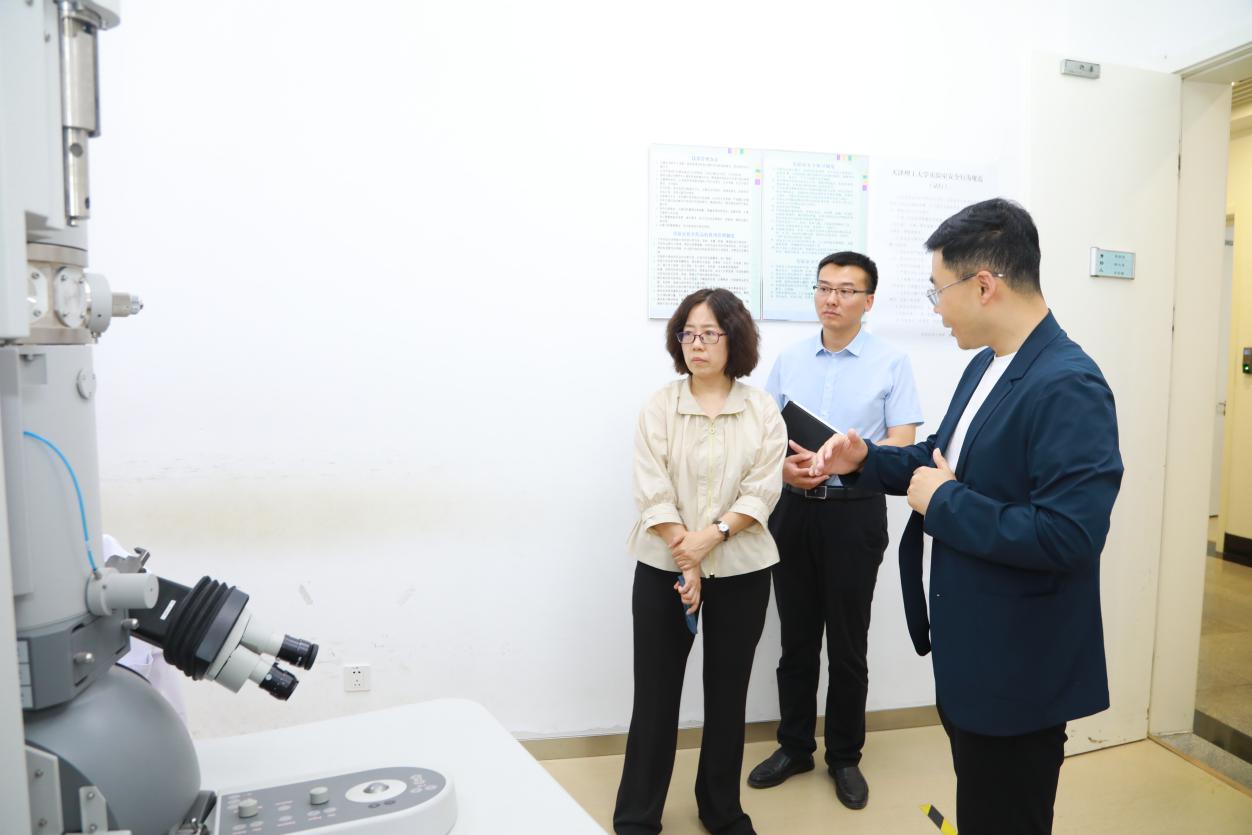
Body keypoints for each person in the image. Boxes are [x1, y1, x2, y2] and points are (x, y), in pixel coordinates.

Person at [809, 198, 1124, 834]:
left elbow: (1069, 536)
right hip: (973, 654)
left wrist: (946, 502)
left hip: (1019, 669)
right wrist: (865, 458)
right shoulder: (987, 363)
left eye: (938, 291)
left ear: (983, 285)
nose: (936, 308)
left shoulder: (1068, 384)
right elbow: (940, 457)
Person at [747, 251, 922, 809]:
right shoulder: (791, 358)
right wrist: (784, 468)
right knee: (795, 640)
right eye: (824, 287)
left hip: (855, 511)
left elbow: (903, 442)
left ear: (868, 301)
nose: (832, 299)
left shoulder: (892, 362)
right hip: (793, 510)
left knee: (848, 643)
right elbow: (766, 435)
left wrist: (855, 455)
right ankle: (794, 746)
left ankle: (845, 756)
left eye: (846, 290)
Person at [614, 288, 787, 835]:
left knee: (727, 695)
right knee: (655, 695)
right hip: (664, 566)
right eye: (687, 333)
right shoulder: (660, 406)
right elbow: (651, 487)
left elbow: (762, 490)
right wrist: (684, 554)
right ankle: (637, 815)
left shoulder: (761, 409)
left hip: (741, 568)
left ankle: (721, 809)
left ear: (735, 339)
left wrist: (706, 541)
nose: (697, 344)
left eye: (710, 333)